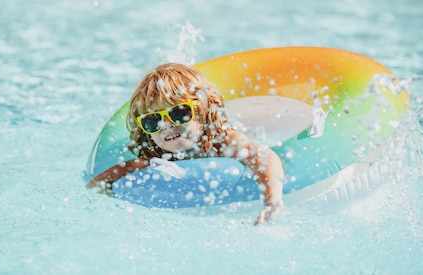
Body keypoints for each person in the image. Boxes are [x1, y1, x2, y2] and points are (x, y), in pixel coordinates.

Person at [87, 63, 285, 225]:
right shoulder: (153, 159)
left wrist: (272, 199)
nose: (166, 126)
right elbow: (100, 183)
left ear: (202, 111)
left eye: (179, 113)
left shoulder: (223, 141)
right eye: (152, 120)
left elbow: (264, 156)